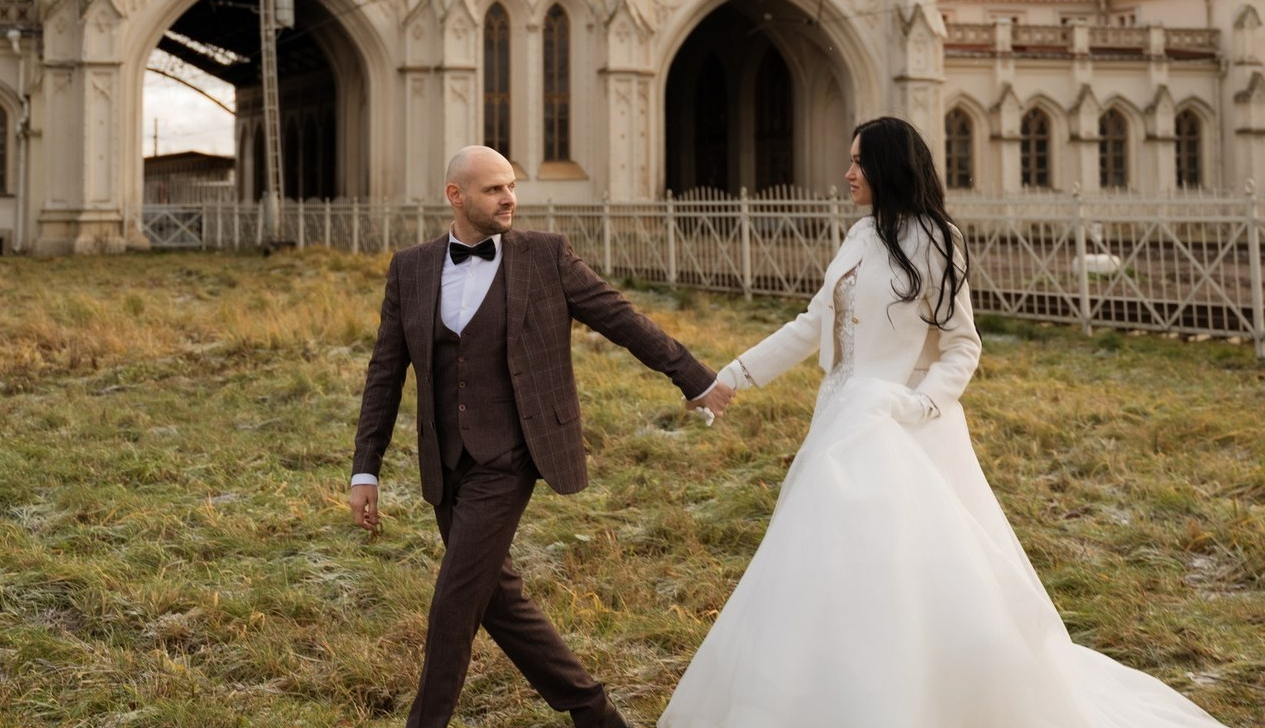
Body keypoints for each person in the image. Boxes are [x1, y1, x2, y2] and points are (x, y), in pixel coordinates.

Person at [660, 116, 1228, 728]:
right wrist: (731, 378)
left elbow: (963, 345)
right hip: (839, 418)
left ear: (889, 169)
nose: (848, 173)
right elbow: (812, 324)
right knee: (827, 568)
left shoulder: (937, 239)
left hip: (905, 431)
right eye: (849, 160)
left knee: (913, 573)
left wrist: (920, 404)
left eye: (859, 162)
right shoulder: (857, 236)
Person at [349, 145, 733, 728]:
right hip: (446, 463)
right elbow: (385, 372)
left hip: (511, 455)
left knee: (454, 603)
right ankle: (594, 714)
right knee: (498, 602)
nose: (510, 199)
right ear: (455, 196)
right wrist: (365, 468)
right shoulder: (412, 267)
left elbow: (620, 317)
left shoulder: (545, 256)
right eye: (493, 190)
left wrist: (694, 377)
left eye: (511, 186)